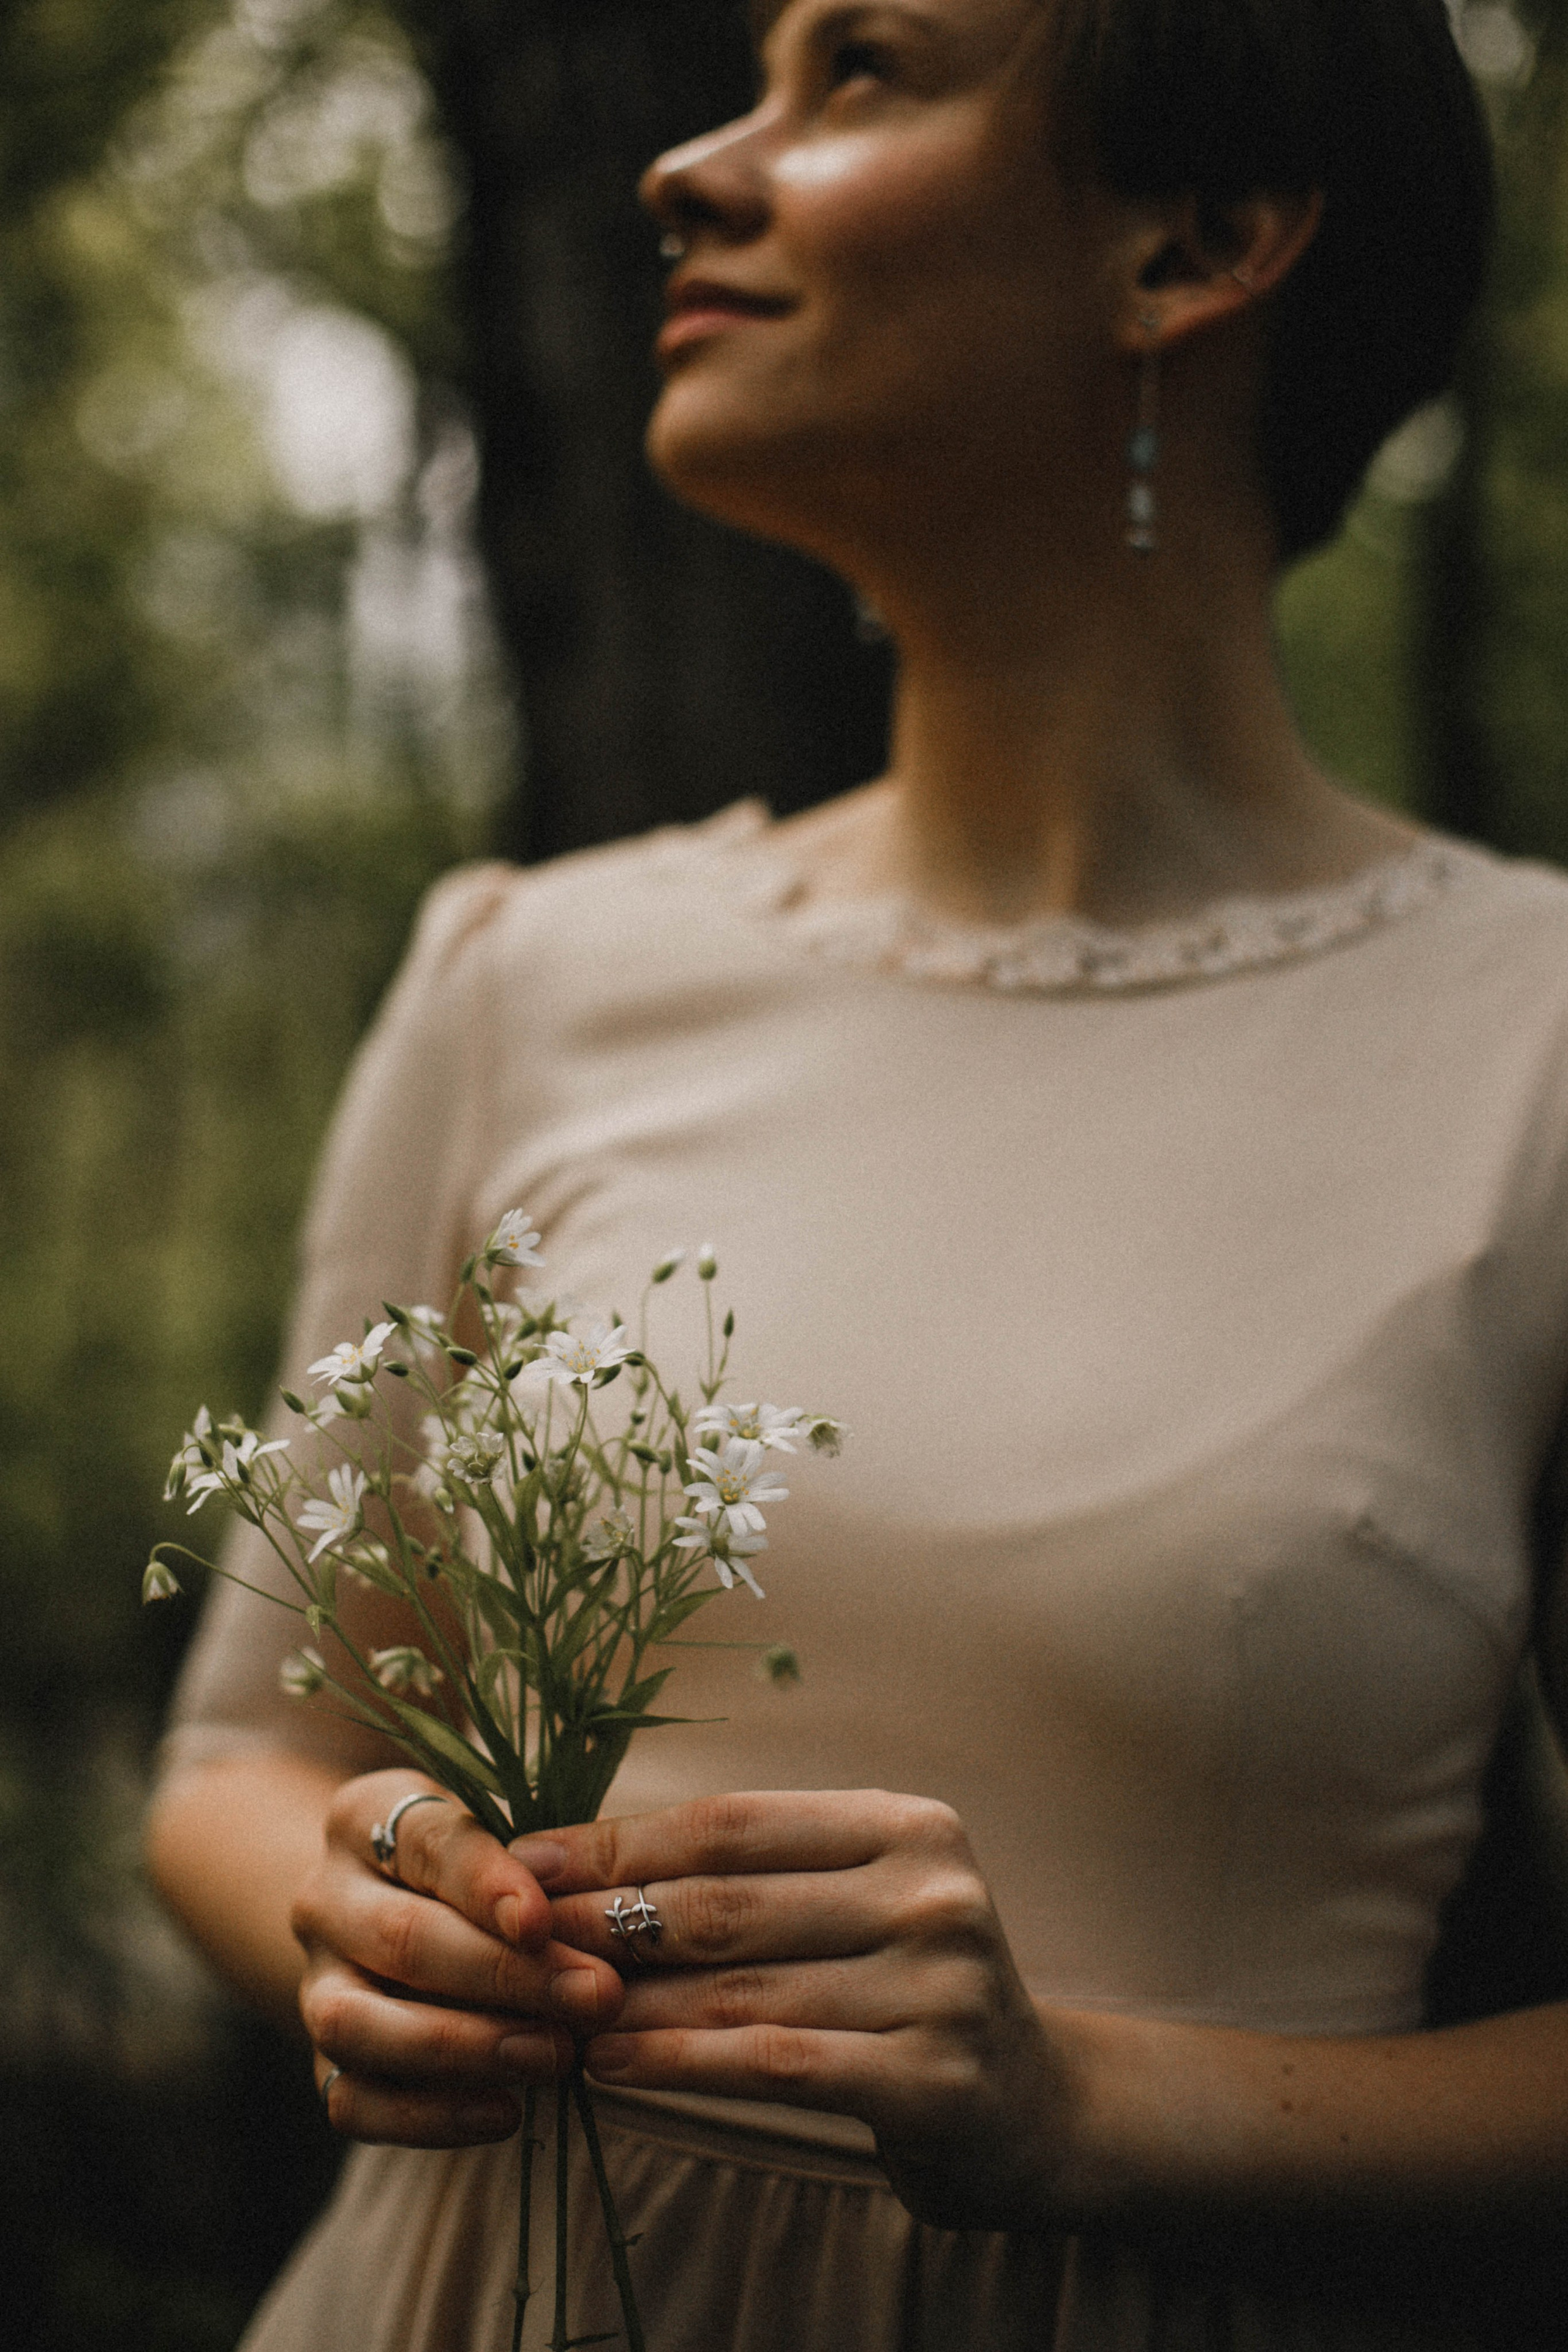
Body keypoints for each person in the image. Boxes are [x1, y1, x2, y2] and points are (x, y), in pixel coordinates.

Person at [146, 1, 1568, 2344]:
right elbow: (239, 1762)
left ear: (1195, 242)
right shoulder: (532, 975)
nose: (693, 166)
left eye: (865, 73)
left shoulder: (1528, 1052)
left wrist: (1081, 2106)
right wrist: (374, 1905)